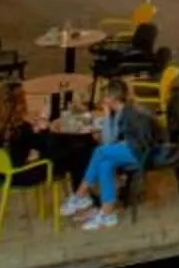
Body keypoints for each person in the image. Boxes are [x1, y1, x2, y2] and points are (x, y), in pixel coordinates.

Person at [60, 90, 155, 230]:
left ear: (113, 99)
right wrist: (107, 116)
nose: (102, 100)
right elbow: (110, 140)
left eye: (105, 97)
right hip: (131, 147)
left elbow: (108, 141)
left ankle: (80, 195)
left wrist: (106, 114)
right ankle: (107, 213)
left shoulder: (124, 114)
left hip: (141, 153)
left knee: (99, 152)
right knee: (105, 164)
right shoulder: (121, 111)